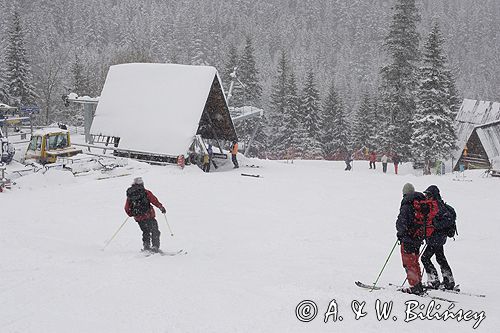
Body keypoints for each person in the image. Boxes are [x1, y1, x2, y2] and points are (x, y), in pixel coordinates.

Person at [421, 185, 456, 290]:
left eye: (428, 195)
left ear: (433, 195)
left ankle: (434, 280)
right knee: (440, 258)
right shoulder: (434, 205)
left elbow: (448, 220)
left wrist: (436, 224)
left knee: (425, 258)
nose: (427, 196)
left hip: (436, 238)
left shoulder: (438, 206)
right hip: (437, 238)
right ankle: (448, 280)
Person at [396, 183, 425, 295]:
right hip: (418, 237)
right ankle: (418, 283)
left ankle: (414, 286)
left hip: (408, 238)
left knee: (409, 262)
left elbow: (402, 222)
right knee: (414, 261)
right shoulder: (420, 203)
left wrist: (400, 233)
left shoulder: (407, 204)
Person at [125, 177, 166, 253]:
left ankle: (146, 247)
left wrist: (132, 214)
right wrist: (161, 207)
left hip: (139, 218)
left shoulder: (130, 194)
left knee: (145, 231)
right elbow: (154, 200)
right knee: (155, 231)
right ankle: (155, 247)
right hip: (149, 215)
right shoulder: (146, 192)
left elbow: (127, 207)